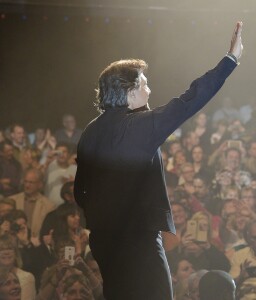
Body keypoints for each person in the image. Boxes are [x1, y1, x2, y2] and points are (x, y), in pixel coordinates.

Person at [74, 21, 243, 300]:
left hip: (103, 241)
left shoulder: (90, 131)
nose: (150, 90)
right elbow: (191, 99)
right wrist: (231, 59)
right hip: (138, 241)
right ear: (129, 92)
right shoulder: (140, 127)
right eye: (144, 84)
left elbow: (80, 193)